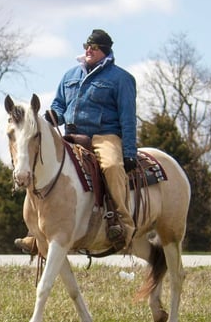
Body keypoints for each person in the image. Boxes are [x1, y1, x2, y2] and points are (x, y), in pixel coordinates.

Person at [15, 29, 138, 253]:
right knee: (41, 165)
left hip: (104, 136)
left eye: (95, 47)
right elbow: (59, 105)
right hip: (71, 135)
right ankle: (37, 231)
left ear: (106, 51)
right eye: (87, 46)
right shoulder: (70, 75)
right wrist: (52, 117)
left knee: (111, 167)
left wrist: (129, 151)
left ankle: (122, 223)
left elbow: (128, 118)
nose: (88, 50)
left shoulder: (121, 79)